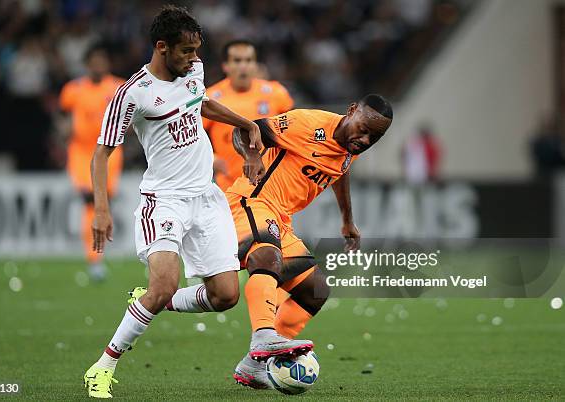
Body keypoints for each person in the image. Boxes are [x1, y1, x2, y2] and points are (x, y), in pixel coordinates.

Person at [82, 6, 310, 398]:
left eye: (196, 51)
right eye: (185, 51)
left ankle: (152, 301)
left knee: (225, 296)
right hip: (165, 200)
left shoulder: (193, 70)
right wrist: (101, 210)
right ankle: (103, 366)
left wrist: (246, 123)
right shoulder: (133, 94)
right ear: (161, 47)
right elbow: (101, 154)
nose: (193, 58)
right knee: (165, 284)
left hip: (206, 197)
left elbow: (200, 103)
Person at [228, 94, 393, 388]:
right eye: (364, 129)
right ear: (351, 110)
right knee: (267, 258)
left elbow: (339, 171)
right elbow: (246, 129)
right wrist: (252, 158)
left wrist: (347, 219)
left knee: (314, 291)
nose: (366, 140)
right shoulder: (307, 124)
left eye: (375, 137)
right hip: (251, 200)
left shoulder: (349, 147)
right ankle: (264, 336)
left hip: (281, 217)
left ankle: (254, 365)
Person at [59, 45, 124, 281]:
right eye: (94, 62)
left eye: (102, 61)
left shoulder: (118, 87)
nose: (98, 66)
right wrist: (64, 130)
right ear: (87, 65)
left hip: (109, 152)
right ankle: (95, 259)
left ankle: (98, 254)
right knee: (90, 201)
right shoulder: (72, 90)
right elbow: (63, 116)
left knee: (103, 203)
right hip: (81, 152)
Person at [204, 40, 294, 191]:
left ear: (255, 65)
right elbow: (195, 136)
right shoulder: (210, 98)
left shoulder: (276, 93)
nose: (243, 66)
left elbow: (294, 131)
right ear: (225, 66)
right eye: (237, 61)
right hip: (228, 187)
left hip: (271, 185)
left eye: (248, 60)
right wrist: (211, 158)